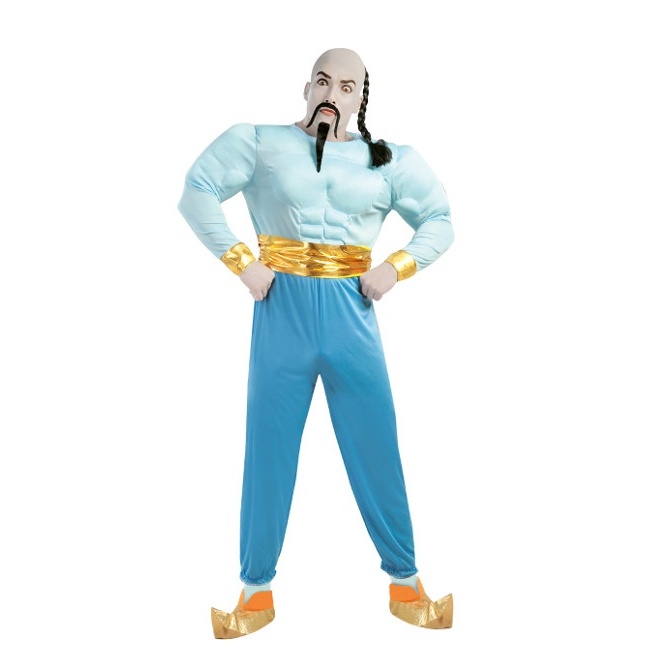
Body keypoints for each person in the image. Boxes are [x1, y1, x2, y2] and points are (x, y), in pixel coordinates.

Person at [178, 47, 454, 639]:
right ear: (306, 87)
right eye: (323, 81)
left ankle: (406, 582)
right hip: (282, 310)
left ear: (360, 98)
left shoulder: (390, 161)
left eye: (347, 86)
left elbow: (440, 219)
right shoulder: (259, 141)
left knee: (376, 443)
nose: (332, 93)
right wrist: (241, 262)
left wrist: (397, 268)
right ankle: (255, 592)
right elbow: (196, 188)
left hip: (353, 313)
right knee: (268, 447)